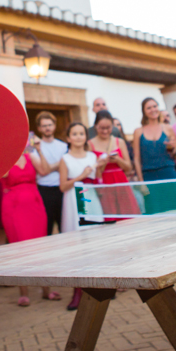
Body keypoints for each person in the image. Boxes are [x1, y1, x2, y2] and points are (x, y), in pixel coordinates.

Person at [2, 149, 60, 306]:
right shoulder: (2, 158)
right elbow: (1, 175)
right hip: (13, 206)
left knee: (41, 247)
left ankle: (46, 290)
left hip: (34, 205)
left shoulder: (30, 156)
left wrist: (40, 150)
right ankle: (23, 293)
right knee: (19, 247)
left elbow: (44, 171)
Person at [59, 122, 98, 310]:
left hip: (91, 201)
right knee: (77, 246)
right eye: (74, 133)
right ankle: (77, 291)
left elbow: (97, 179)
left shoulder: (92, 156)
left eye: (81, 133)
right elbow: (63, 186)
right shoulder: (65, 159)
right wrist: (80, 176)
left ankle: (97, 287)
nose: (78, 136)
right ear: (68, 138)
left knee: (94, 243)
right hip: (73, 202)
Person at [133, 98, 176, 214]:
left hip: (168, 173)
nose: (153, 110)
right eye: (149, 107)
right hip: (149, 175)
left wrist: (173, 148)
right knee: (155, 210)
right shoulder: (138, 132)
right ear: (144, 111)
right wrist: (141, 182)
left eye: (155, 106)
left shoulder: (168, 128)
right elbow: (136, 159)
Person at [89, 110, 139, 219]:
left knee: (127, 216)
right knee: (110, 216)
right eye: (102, 128)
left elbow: (129, 167)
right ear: (95, 126)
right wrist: (101, 164)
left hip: (120, 181)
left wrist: (118, 160)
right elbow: (90, 170)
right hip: (104, 183)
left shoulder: (119, 142)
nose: (106, 131)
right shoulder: (90, 144)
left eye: (108, 128)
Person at [30, 112, 69, 236]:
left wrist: (49, 167)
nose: (47, 128)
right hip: (44, 191)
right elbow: (43, 171)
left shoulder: (63, 146)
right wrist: (59, 164)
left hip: (62, 190)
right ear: (39, 128)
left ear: (54, 126)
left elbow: (67, 167)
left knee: (66, 226)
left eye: (50, 125)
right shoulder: (34, 147)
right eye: (44, 125)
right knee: (46, 227)